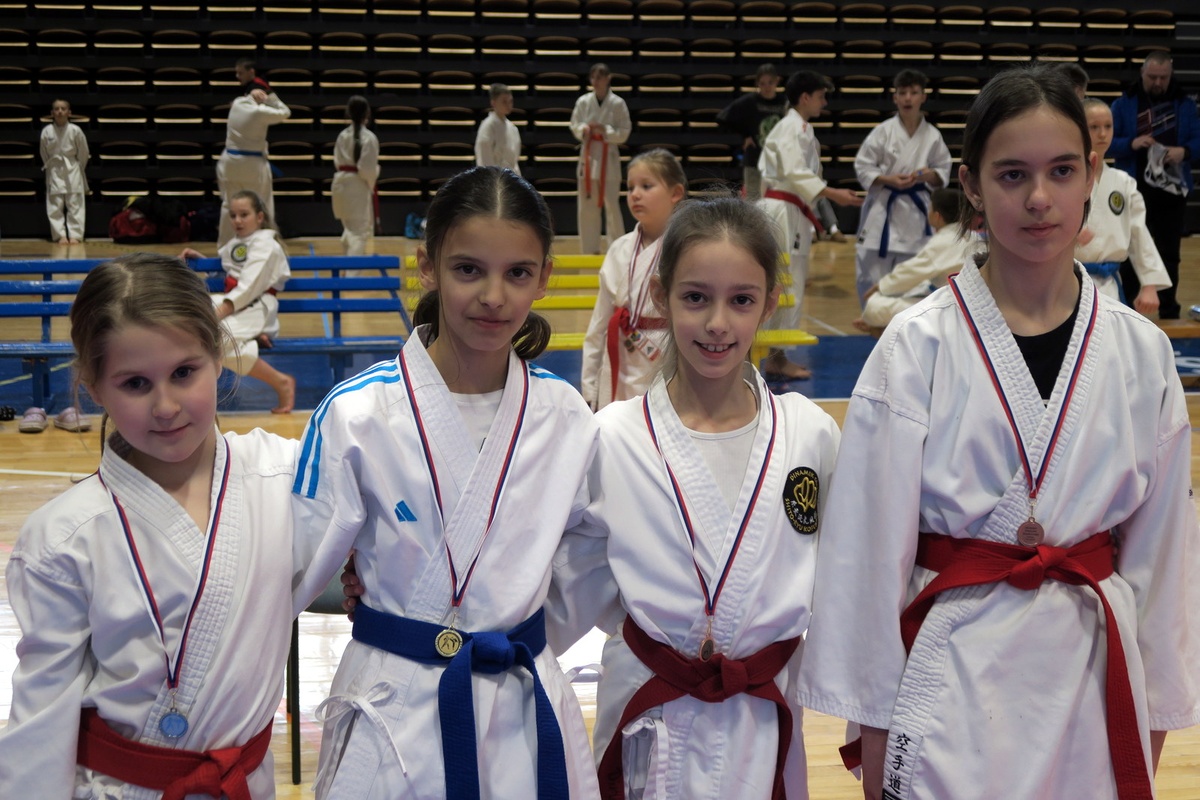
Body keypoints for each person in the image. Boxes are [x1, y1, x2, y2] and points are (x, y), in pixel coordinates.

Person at [797, 64, 1200, 800]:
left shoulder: (1141, 354)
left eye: (1062, 171)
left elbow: (1164, 558)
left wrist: (1155, 712)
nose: (1039, 198)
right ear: (973, 186)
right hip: (949, 676)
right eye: (1012, 174)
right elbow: (867, 556)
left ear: (1092, 176)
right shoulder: (917, 346)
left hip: (1091, 677)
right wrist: (875, 727)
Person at [290, 166, 602, 800]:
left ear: (544, 277)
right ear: (427, 266)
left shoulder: (566, 416)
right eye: (468, 269)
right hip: (392, 703)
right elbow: (291, 570)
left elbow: (585, 567)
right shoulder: (357, 413)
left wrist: (503, 623)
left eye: (518, 273)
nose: (494, 296)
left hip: (521, 695)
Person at [549, 196, 840, 799]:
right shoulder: (613, 437)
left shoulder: (809, 434)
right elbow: (552, 583)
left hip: (763, 718)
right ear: (661, 296)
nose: (718, 323)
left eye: (741, 300)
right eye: (696, 297)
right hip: (651, 715)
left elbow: (855, 579)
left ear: (770, 303)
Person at [0, 253, 299, 798]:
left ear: (218, 357)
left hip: (245, 783)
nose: (165, 406)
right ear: (94, 387)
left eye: (184, 373)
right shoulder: (62, 537)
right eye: (135, 383)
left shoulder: (286, 477)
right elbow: (41, 719)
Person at [758, 70, 863, 380]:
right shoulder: (791, 127)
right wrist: (832, 193)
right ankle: (775, 357)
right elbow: (794, 172)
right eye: (820, 96)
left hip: (792, 210)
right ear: (805, 98)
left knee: (790, 280)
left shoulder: (802, 129)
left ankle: (777, 355)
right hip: (783, 211)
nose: (824, 103)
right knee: (785, 280)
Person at [581, 148, 687, 410]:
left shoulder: (687, 248)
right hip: (621, 354)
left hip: (670, 353)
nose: (635, 194)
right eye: (630, 188)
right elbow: (599, 324)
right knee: (620, 422)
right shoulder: (619, 248)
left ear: (675, 193)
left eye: (646, 186)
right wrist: (589, 386)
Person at [180, 190, 296, 414]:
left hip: (257, 306)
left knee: (213, 338)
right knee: (188, 324)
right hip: (236, 304)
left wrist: (218, 313)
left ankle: (280, 381)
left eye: (244, 215)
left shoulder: (267, 245)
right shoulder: (236, 243)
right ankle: (253, 341)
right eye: (233, 216)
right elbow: (230, 276)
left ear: (259, 217)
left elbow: (250, 286)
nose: (238, 221)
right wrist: (200, 260)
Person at [1110, 50, 1200, 319]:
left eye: (1163, 77)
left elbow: (1198, 140)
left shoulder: (1185, 104)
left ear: (1170, 75)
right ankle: (1126, 309)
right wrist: (1131, 143)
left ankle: (1169, 308)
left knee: (1169, 251)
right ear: (1142, 73)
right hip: (1132, 187)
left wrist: (1184, 151)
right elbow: (1106, 142)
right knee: (1127, 249)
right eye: (1152, 77)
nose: (1158, 82)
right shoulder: (1122, 104)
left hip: (1172, 190)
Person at [853, 69, 952, 304]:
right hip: (883, 211)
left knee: (913, 284)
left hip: (916, 217)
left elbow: (943, 171)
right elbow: (863, 165)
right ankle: (872, 320)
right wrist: (888, 179)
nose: (908, 98)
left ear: (923, 97)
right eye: (903, 93)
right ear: (895, 97)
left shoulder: (932, 135)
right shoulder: (883, 132)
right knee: (871, 278)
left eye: (914, 92)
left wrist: (929, 175)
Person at [1079, 98, 1170, 314]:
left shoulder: (1123, 182)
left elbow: (1139, 233)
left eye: (1108, 126)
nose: (1103, 134)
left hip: (1109, 284)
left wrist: (1149, 284)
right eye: (1094, 127)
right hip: (1067, 281)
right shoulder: (1062, 178)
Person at [855, 187, 972, 332]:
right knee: (917, 288)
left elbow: (912, 271)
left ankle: (880, 331)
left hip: (953, 307)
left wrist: (882, 285)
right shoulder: (972, 236)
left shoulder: (944, 241)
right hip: (968, 301)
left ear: (937, 216)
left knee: (875, 306)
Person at [216, 58, 290, 247]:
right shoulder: (260, 112)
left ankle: (224, 250)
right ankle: (267, 247)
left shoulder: (236, 104)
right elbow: (285, 112)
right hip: (252, 163)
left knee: (229, 206)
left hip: (229, 161)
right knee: (262, 205)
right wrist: (270, 96)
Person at [571, 63, 631, 254]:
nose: (595, 81)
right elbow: (574, 125)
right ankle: (589, 251)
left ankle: (617, 251)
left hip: (608, 158)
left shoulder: (618, 103)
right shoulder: (583, 102)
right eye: (593, 78)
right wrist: (584, 129)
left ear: (608, 79)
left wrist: (606, 130)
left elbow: (625, 131)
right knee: (587, 208)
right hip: (588, 157)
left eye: (599, 77)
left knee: (612, 207)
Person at [716, 64, 787, 200]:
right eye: (762, 83)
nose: (766, 87)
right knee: (753, 199)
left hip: (777, 160)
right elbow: (723, 118)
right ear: (757, 84)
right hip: (755, 159)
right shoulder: (750, 102)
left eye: (770, 82)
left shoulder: (784, 102)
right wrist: (745, 135)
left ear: (777, 81)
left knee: (777, 199)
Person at [332, 94, 380, 257]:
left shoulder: (342, 135)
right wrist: (372, 181)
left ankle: (345, 266)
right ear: (367, 113)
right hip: (357, 185)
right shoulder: (369, 138)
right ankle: (352, 271)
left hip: (340, 184)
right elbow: (367, 169)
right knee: (359, 232)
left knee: (349, 229)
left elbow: (337, 162)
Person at [39, 98, 89, 244]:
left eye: (63, 109)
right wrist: (51, 166)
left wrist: (78, 166)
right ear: (52, 113)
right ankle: (60, 235)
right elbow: (43, 153)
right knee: (55, 204)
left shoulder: (75, 130)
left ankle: (75, 235)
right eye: (56, 109)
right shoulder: (46, 131)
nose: (60, 111)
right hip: (54, 168)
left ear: (69, 112)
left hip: (72, 167)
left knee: (75, 203)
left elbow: (83, 152)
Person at [475, 82, 522, 174]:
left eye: (510, 101)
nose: (508, 105)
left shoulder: (512, 128)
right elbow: (484, 160)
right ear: (493, 103)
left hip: (509, 176)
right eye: (504, 101)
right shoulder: (488, 126)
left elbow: (514, 161)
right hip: (493, 177)